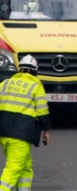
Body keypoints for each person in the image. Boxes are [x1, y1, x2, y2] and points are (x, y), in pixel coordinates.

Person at [0, 55, 50, 191]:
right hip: (21, 134)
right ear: (35, 70)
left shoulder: (5, 83)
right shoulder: (36, 87)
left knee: (25, 166)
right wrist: (46, 131)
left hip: (4, 133)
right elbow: (42, 112)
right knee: (14, 167)